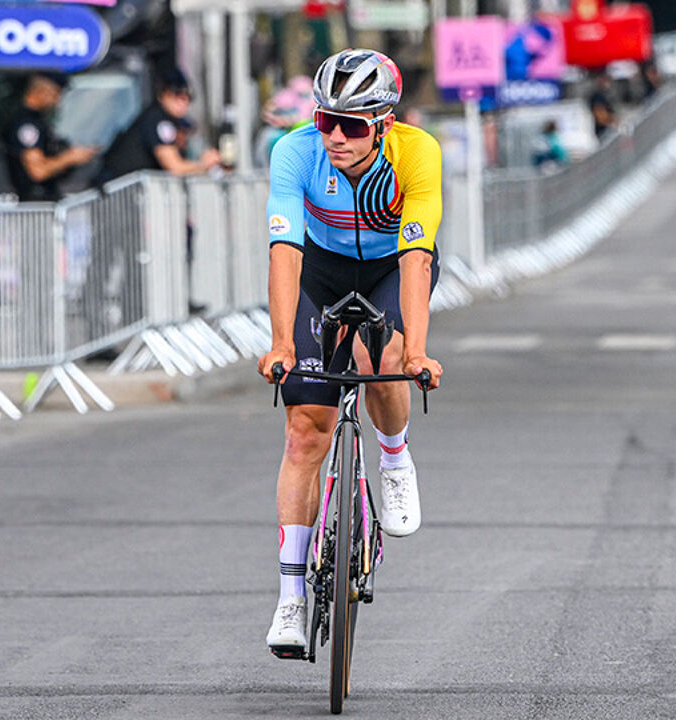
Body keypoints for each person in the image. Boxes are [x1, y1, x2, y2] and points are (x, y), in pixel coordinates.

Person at [257, 48, 444, 656]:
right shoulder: (293, 151)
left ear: (384, 124)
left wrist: (416, 350)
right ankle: (290, 597)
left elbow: (416, 258)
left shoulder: (417, 153)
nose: (334, 136)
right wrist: (282, 342)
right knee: (304, 431)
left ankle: (393, 459)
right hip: (322, 272)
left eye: (352, 125)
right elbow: (284, 249)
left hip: (391, 269)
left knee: (386, 363)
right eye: (325, 120)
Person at [94, 68, 220, 184]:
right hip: (118, 192)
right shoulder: (157, 120)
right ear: (162, 95)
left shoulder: (177, 122)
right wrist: (203, 165)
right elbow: (174, 167)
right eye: (177, 96)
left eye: (187, 98)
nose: (183, 103)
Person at [3, 72, 96, 202]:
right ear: (41, 91)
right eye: (56, 94)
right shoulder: (26, 124)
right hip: (35, 204)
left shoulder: (36, 120)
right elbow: (38, 171)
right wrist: (70, 157)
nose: (57, 101)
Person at [588, 71, 617, 141]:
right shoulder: (597, 96)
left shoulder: (605, 94)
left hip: (607, 128)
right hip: (603, 129)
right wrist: (610, 121)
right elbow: (599, 114)